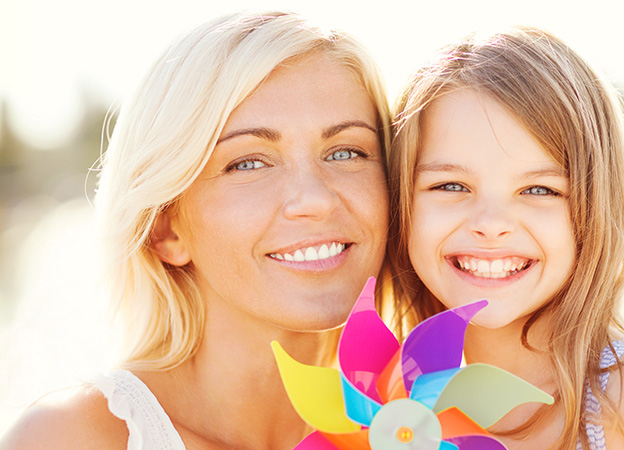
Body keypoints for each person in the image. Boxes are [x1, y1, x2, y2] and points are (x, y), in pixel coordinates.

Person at [0, 11, 391, 450]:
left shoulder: (417, 427)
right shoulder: (73, 437)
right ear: (167, 230)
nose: (316, 199)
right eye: (247, 162)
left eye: (346, 152)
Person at [387, 27, 624, 449]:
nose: (491, 223)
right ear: (400, 200)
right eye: (451, 185)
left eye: (539, 190)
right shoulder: (388, 413)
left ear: (595, 207)